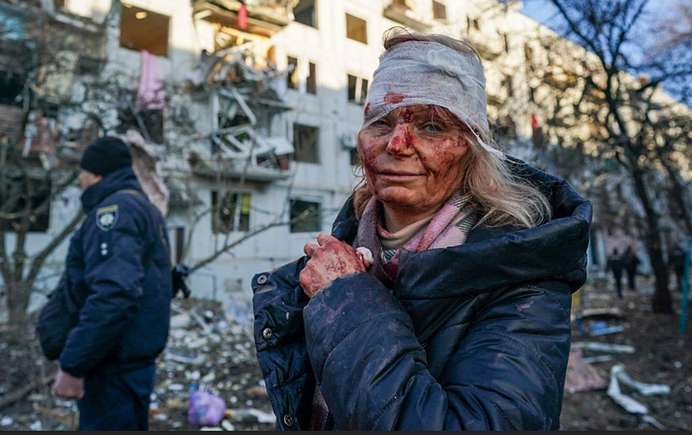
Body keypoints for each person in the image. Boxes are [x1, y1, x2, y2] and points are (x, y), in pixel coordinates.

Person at [252, 30, 592, 430]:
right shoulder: (340, 255)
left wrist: (346, 300)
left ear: (472, 149)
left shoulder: (523, 279)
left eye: (431, 126)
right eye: (381, 122)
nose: (397, 143)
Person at [36, 136, 172, 430]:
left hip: (111, 372)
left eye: (82, 174)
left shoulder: (114, 212)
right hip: (129, 367)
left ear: (96, 173)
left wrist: (73, 364)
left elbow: (114, 294)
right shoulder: (145, 209)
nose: (80, 181)